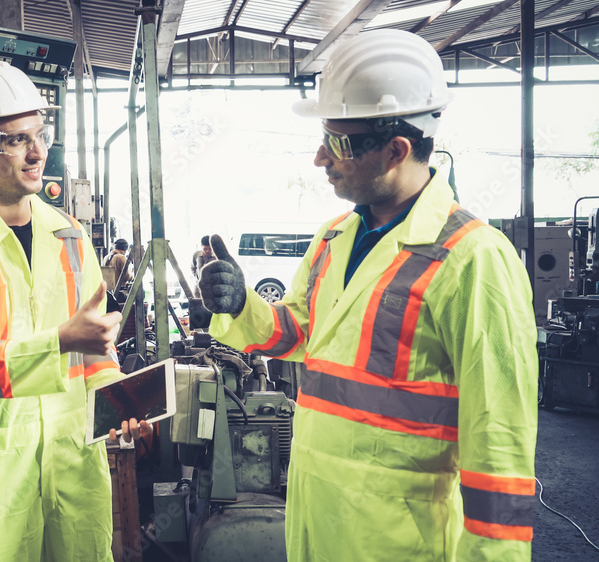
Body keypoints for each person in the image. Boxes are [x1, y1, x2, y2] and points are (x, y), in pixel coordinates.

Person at [199, 30, 536, 561]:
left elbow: (499, 445)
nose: (319, 158)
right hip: (316, 510)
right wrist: (242, 304)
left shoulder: (473, 260)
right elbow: (303, 335)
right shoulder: (335, 238)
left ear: (395, 150)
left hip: (397, 536)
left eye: (336, 141)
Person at [0, 60, 148, 562]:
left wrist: (121, 404)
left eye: (41, 134)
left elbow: (95, 356)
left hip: (73, 470)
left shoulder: (69, 235)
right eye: (15, 140)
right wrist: (59, 341)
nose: (38, 152)